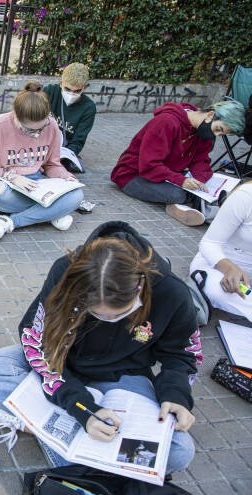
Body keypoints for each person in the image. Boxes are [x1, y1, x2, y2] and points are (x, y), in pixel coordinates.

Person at [0, 221, 201, 476]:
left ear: (139, 289)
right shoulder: (66, 271)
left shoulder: (173, 292)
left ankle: (35, 423)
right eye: (95, 313)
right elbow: (36, 339)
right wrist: (82, 407)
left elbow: (182, 355)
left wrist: (176, 395)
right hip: (62, 363)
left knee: (179, 451)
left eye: (118, 314)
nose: (108, 321)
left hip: (123, 378)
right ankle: (64, 437)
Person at [0, 81, 83, 240]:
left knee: (76, 196)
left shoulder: (52, 126)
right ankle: (50, 213)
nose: (36, 134)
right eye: (29, 129)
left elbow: (51, 164)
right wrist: (11, 176)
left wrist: (65, 177)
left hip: (36, 186)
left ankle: (10, 221)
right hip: (3, 184)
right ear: (15, 116)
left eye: (40, 129)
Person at [111, 99, 246, 226]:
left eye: (221, 134)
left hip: (165, 174)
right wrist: (182, 181)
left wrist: (201, 181)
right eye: (218, 129)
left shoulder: (204, 132)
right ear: (210, 115)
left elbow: (200, 161)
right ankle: (208, 211)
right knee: (179, 194)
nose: (216, 135)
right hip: (132, 175)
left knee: (201, 186)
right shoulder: (166, 122)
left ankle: (186, 207)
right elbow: (149, 165)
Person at [189, 183, 252, 321]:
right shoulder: (246, 196)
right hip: (220, 266)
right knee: (217, 290)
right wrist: (229, 268)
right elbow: (209, 243)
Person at [43, 63, 96, 173]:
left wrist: (64, 156)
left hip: (63, 150)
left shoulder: (88, 108)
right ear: (61, 83)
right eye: (67, 89)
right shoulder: (50, 92)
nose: (71, 94)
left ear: (84, 88)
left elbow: (78, 141)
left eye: (77, 91)